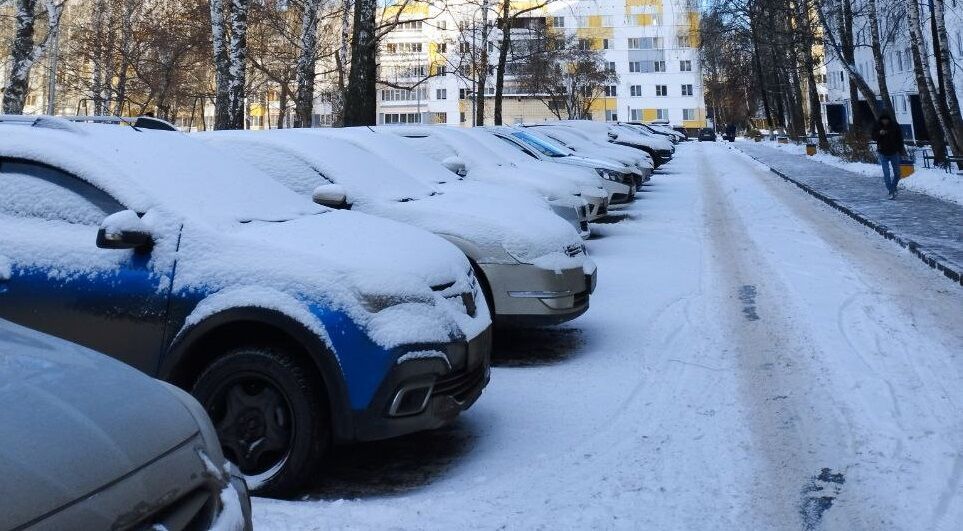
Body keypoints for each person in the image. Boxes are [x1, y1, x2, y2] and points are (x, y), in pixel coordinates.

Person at [870, 113, 905, 199]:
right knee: (886, 173)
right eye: (883, 120)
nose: (885, 121)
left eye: (886, 119)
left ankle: (893, 187)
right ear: (881, 120)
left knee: (897, 173)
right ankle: (891, 191)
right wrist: (879, 133)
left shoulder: (895, 126)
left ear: (889, 119)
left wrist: (901, 151)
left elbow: (900, 139)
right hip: (882, 152)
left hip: (894, 152)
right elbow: (873, 136)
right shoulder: (877, 126)